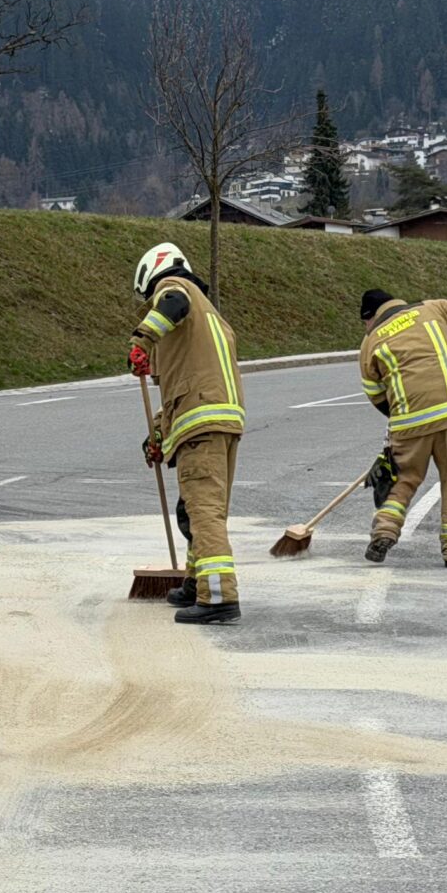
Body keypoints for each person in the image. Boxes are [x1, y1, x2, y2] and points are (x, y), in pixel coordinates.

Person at [129, 242, 245, 623]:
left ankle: (218, 598)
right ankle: (196, 583)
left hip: (202, 419)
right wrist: (159, 435)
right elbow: (185, 382)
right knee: (200, 508)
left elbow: (171, 302)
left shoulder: (175, 289)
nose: (152, 303)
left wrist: (142, 338)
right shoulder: (207, 317)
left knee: (205, 510)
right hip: (220, 419)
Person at [356, 288, 447, 568]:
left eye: (365, 322)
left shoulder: (370, 342)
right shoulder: (435, 309)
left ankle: (384, 530)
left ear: (370, 317)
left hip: (409, 423)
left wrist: (401, 419)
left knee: (402, 481)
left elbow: (376, 394)